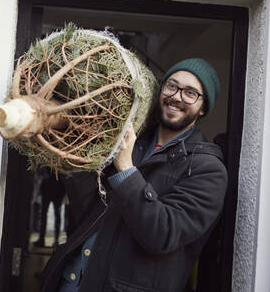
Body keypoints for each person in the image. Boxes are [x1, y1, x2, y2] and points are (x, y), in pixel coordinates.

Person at [39, 58, 228, 292]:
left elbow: (163, 233)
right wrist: (76, 155)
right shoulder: (132, 142)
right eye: (172, 85)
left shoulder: (208, 170)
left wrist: (126, 169)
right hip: (71, 281)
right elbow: (88, 210)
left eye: (190, 93)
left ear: (203, 108)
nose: (177, 96)